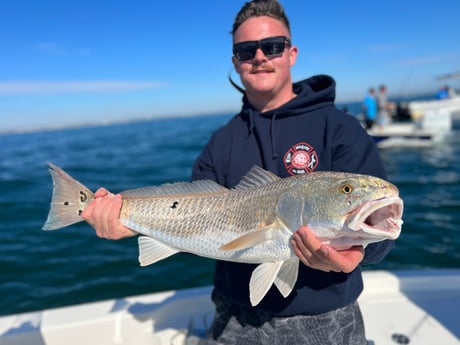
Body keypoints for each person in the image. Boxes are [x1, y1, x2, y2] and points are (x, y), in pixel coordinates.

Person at [82, 1, 394, 344]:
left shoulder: (339, 128)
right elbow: (194, 226)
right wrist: (125, 221)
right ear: (235, 61)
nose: (260, 56)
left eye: (272, 46)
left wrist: (359, 253)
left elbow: (379, 230)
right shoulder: (220, 143)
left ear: (291, 53)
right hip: (234, 319)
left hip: (328, 321)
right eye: (247, 50)